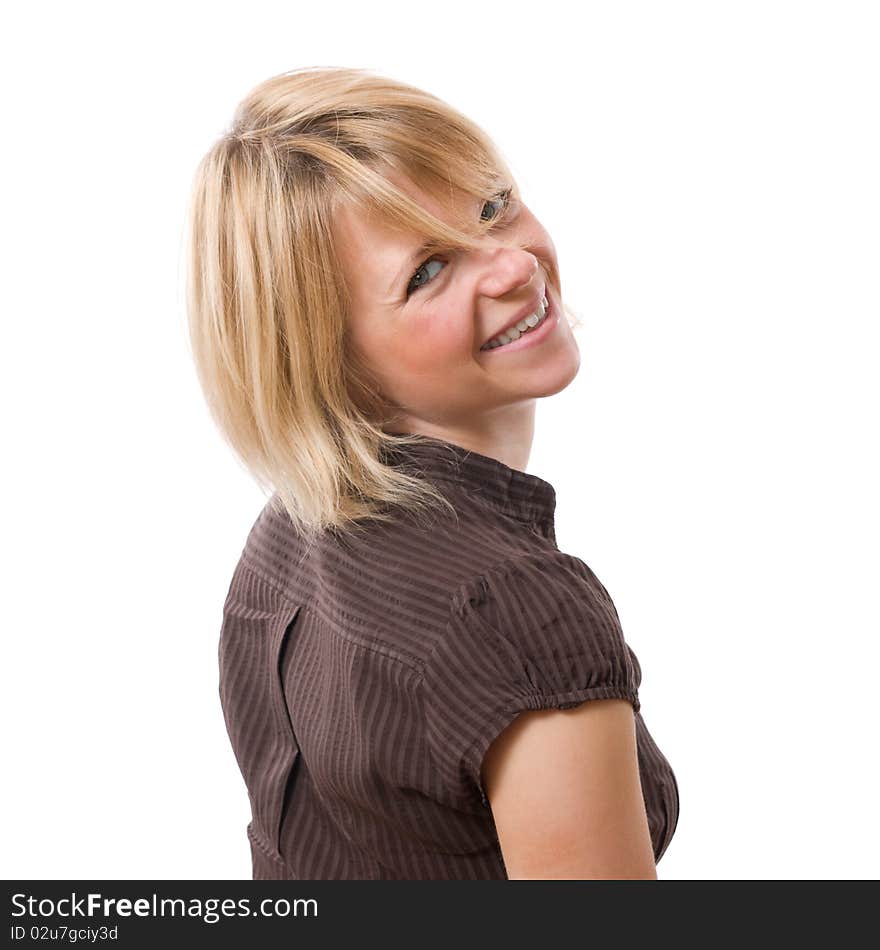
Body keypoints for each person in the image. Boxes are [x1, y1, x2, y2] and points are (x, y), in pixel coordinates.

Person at [186, 65, 679, 880]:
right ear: (325, 358)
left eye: (494, 206)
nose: (514, 265)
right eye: (426, 271)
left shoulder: (288, 532)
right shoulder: (514, 612)